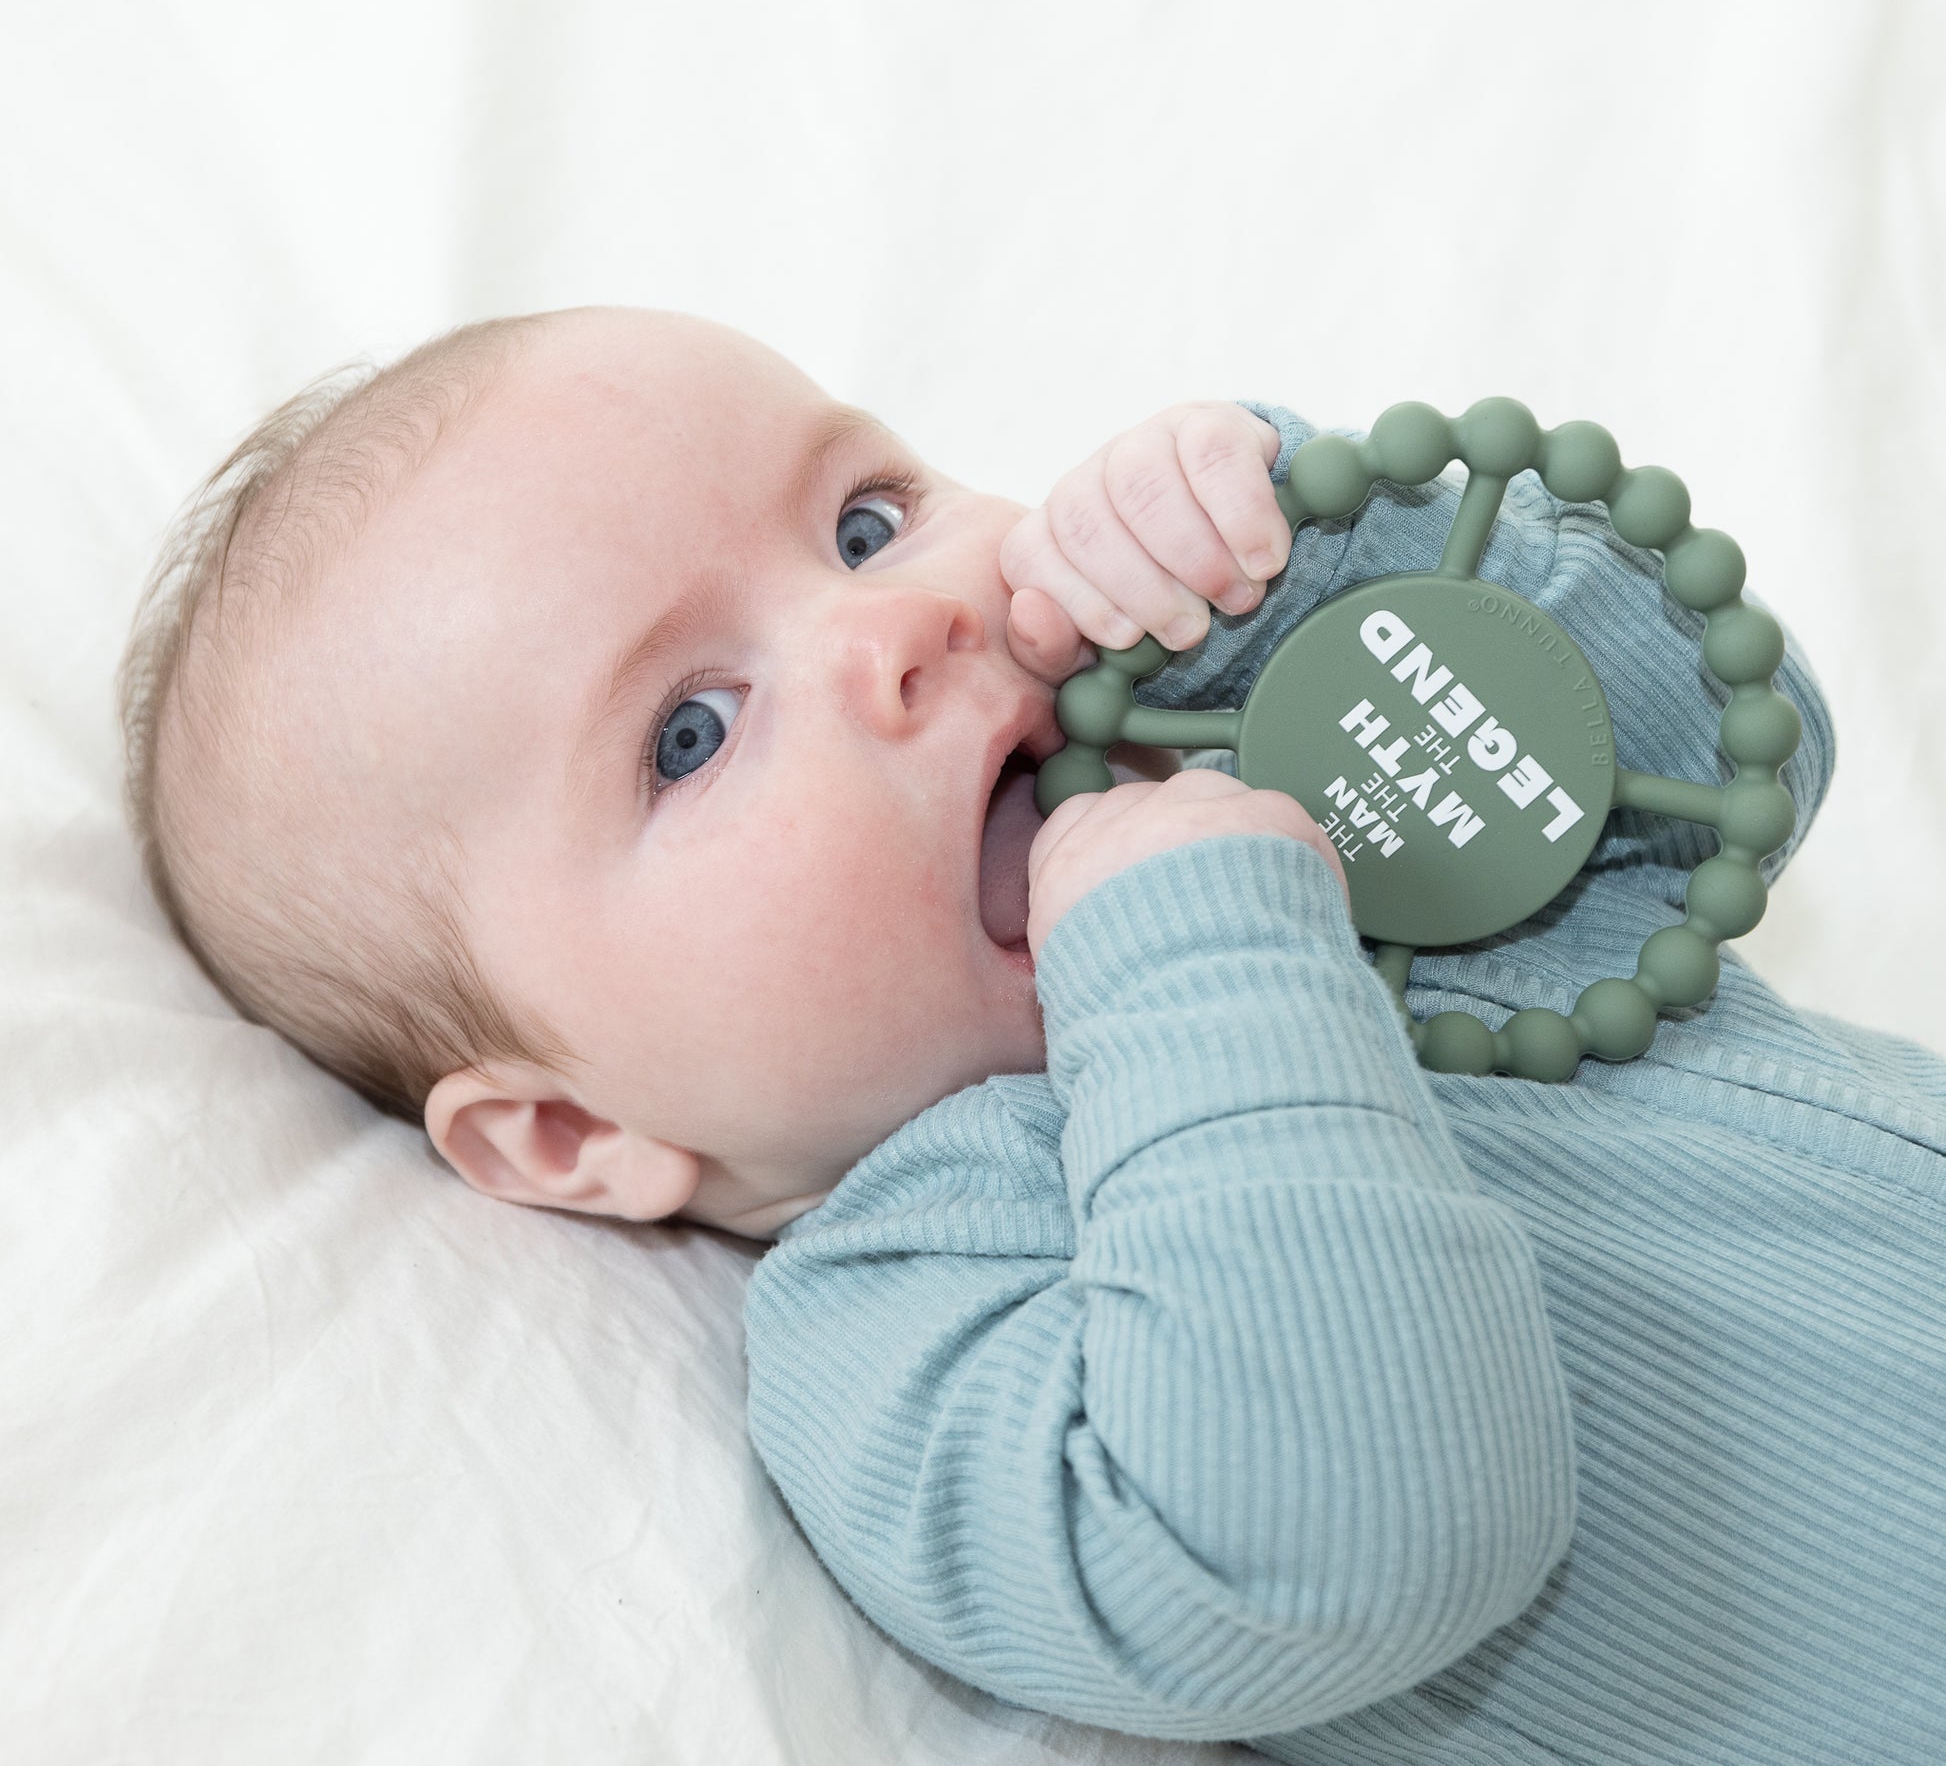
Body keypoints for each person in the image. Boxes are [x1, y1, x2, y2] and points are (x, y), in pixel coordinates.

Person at [118, 306, 1946, 1762]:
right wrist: (1197, 961)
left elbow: (1727, 755)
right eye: (690, 732)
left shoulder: (1313, 807)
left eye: (863, 519)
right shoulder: (913, 1312)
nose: (896, 623)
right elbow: (1347, 1546)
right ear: (574, 1135)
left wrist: (1316, 581)